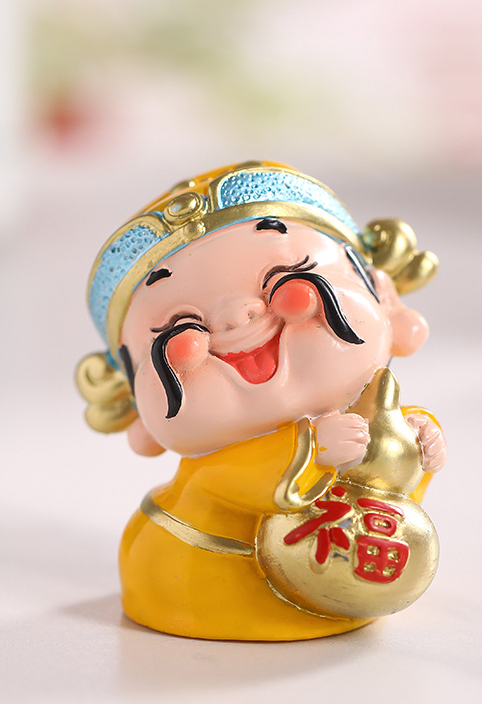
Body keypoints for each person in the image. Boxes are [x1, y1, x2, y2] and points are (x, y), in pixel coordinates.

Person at [77, 161, 446, 640]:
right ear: (134, 399)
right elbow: (226, 481)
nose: (233, 318)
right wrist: (311, 448)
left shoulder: (367, 408)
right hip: (196, 577)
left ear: (384, 298)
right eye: (178, 325)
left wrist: (413, 442)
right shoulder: (214, 471)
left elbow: (381, 480)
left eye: (284, 276)